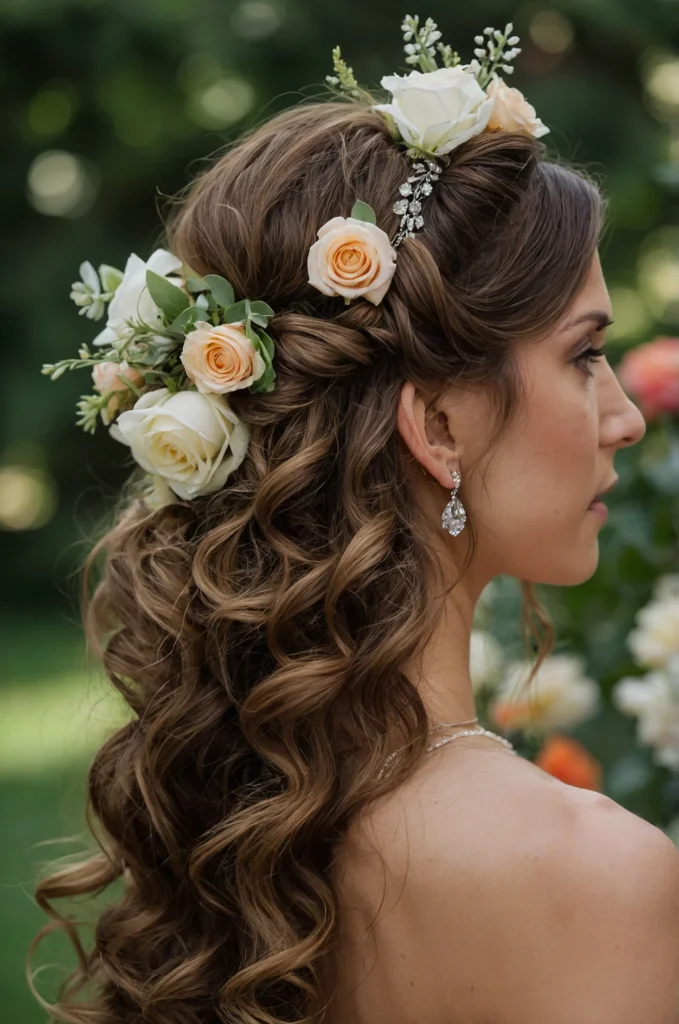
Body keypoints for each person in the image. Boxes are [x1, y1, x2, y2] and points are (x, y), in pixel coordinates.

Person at [30, 17, 679, 1024]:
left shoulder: (240, 823)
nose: (625, 417)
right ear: (434, 422)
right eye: (583, 354)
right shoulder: (597, 874)